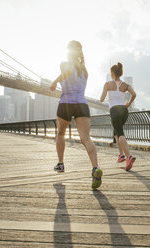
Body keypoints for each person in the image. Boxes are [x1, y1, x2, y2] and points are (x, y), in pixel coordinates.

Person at [49, 40, 103, 189]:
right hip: (82, 105)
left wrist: (54, 83)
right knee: (86, 138)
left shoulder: (64, 64)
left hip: (66, 103)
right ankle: (95, 167)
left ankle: (60, 164)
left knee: (60, 134)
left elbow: (66, 73)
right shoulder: (85, 70)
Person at [100, 62, 137, 171]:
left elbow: (102, 99)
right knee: (116, 131)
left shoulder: (107, 84)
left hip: (114, 111)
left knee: (120, 134)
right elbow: (134, 94)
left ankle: (128, 157)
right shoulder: (125, 85)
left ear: (112, 73)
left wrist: (105, 96)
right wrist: (128, 103)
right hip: (124, 111)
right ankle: (121, 155)